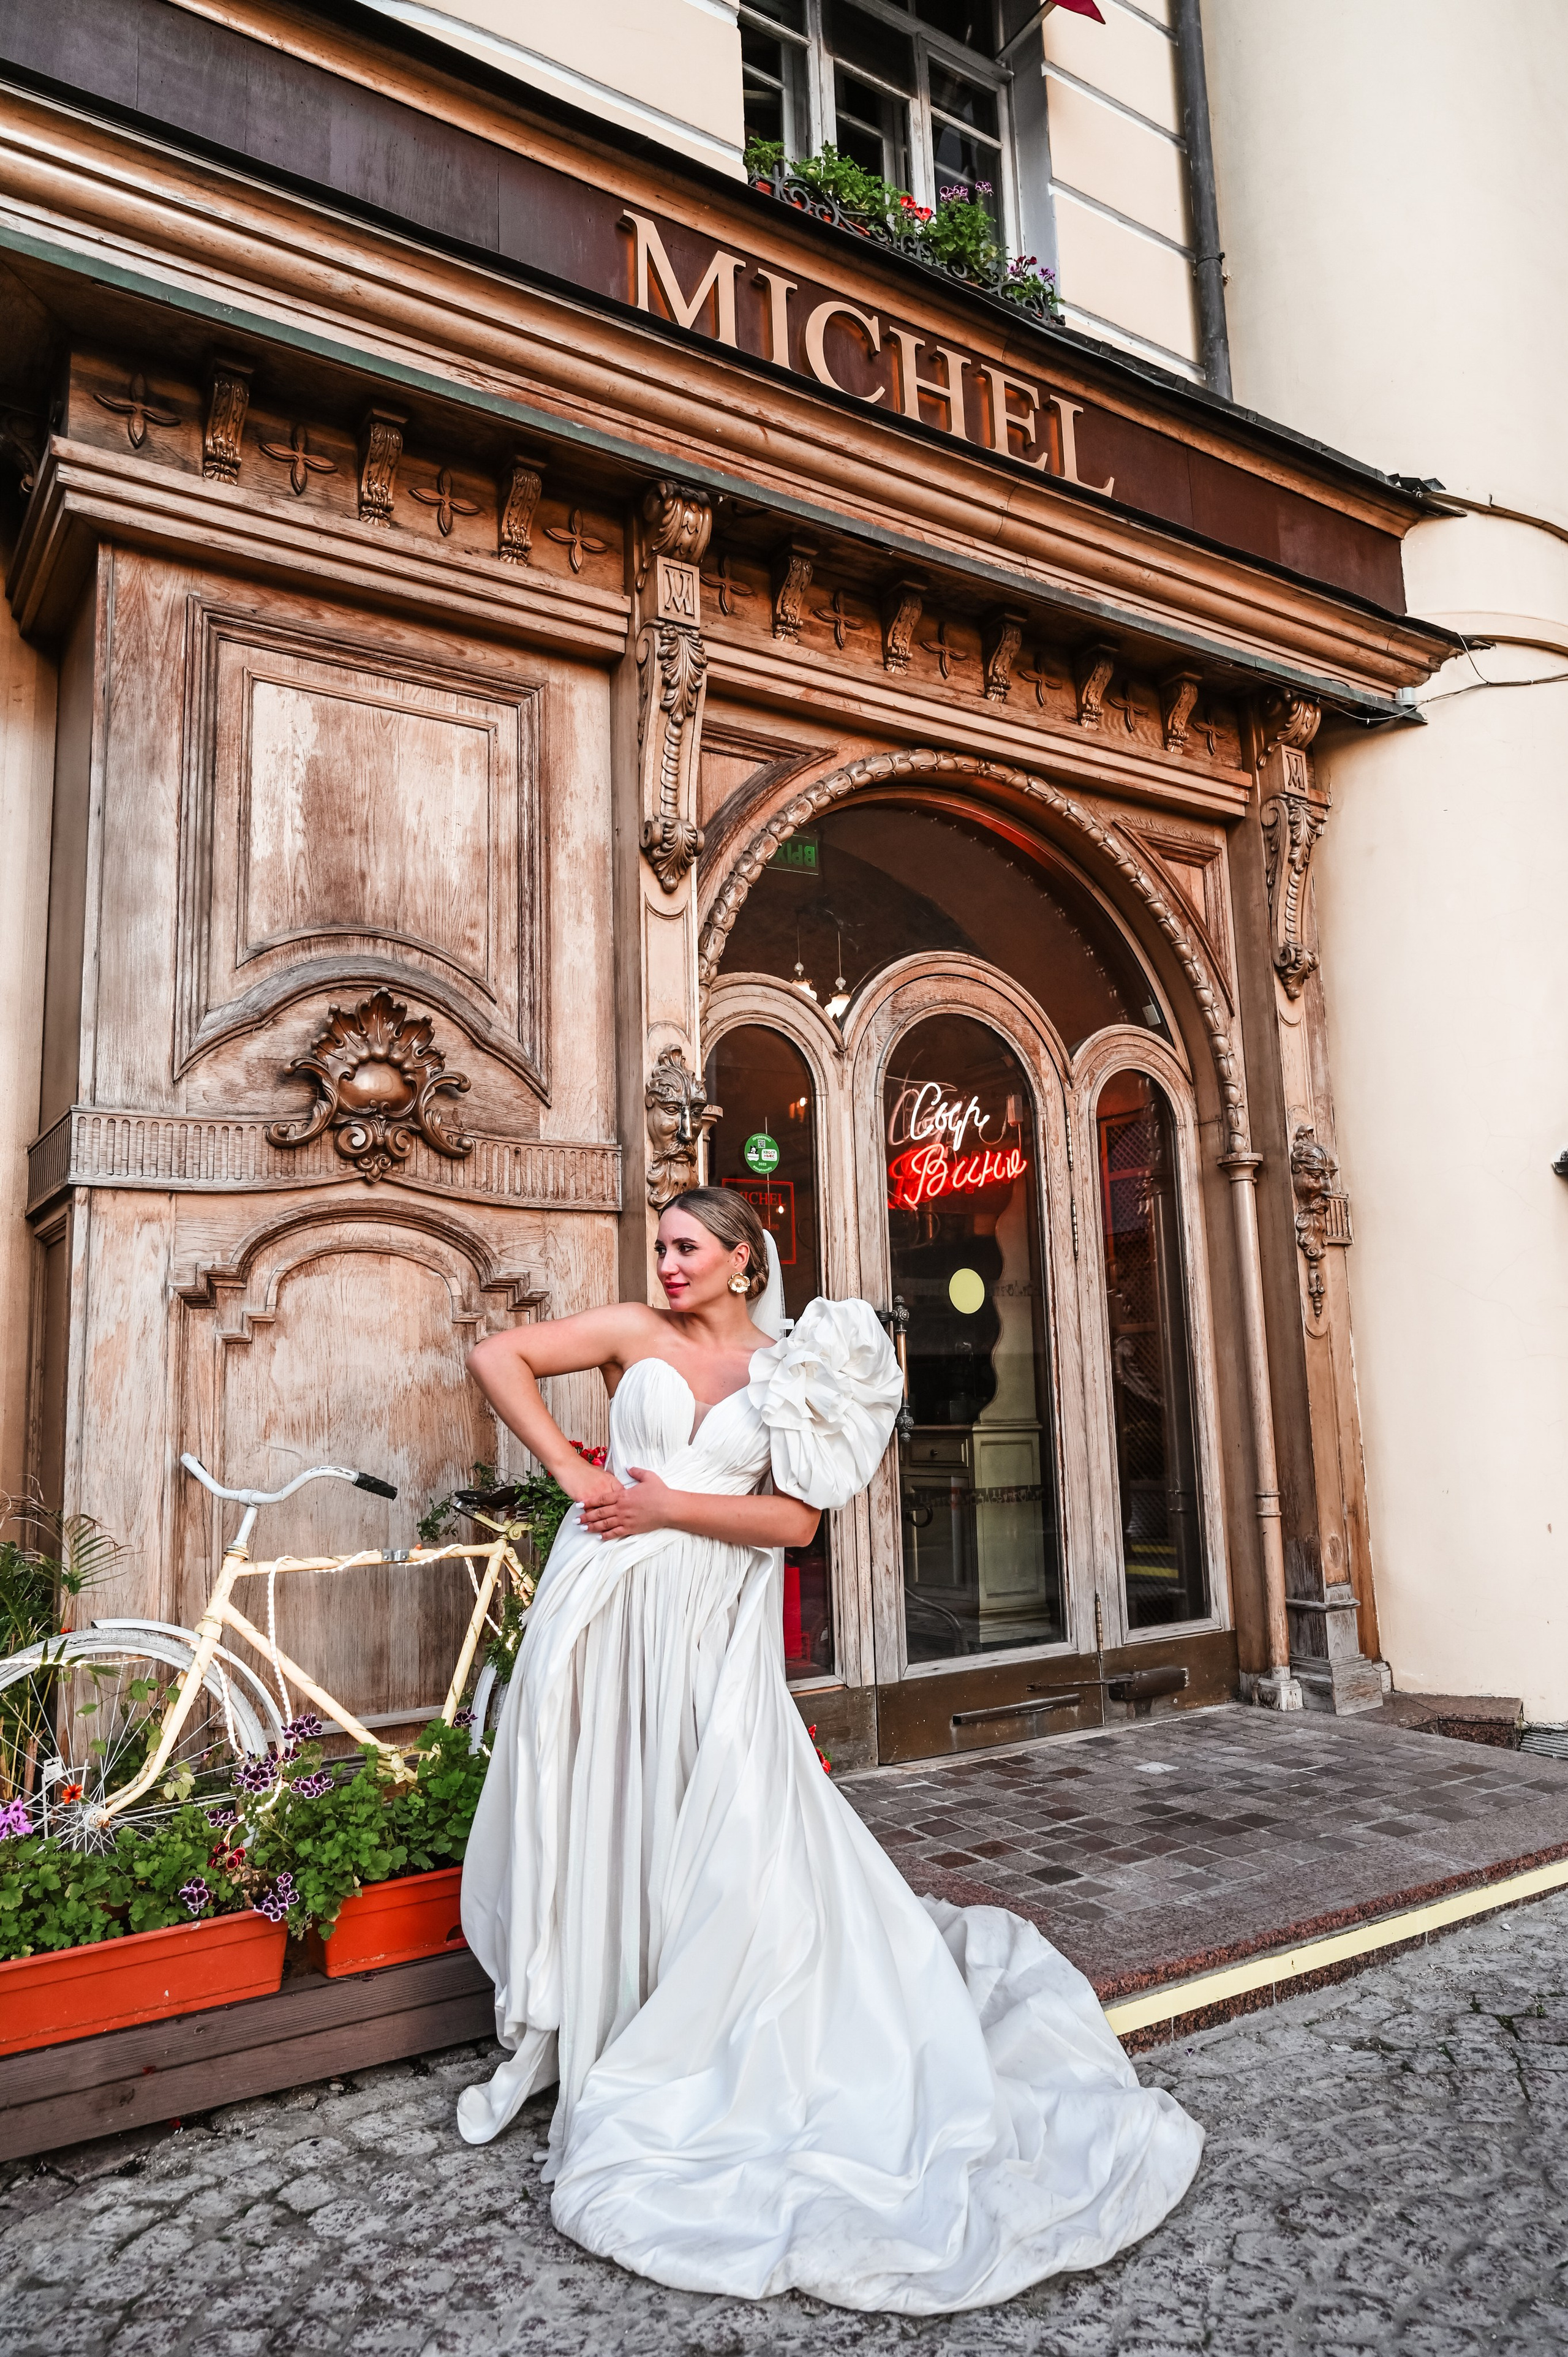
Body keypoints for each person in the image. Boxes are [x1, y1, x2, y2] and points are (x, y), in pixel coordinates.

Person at [457, 1185, 1202, 2313]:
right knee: (613, 1795)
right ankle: (610, 2016)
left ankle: (711, 2033)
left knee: (735, 1811)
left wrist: (666, 1512)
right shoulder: (630, 1334)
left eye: (687, 1247)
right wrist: (575, 1470)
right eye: (660, 1246)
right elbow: (497, 1352)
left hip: (712, 1609)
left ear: (743, 1262)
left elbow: (796, 1524)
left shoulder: (788, 1370)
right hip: (607, 1602)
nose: (666, 1264)